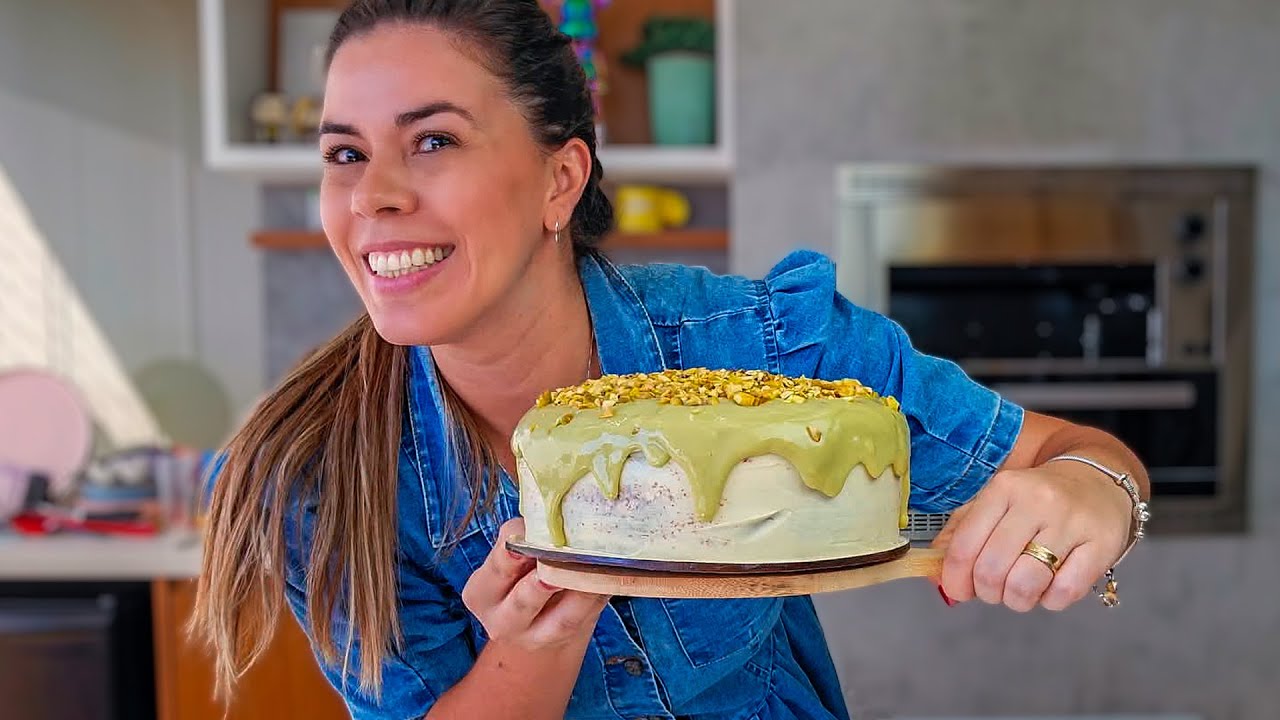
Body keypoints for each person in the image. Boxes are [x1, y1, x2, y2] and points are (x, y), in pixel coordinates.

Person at [191, 1, 1150, 718]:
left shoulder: (771, 350)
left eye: (432, 140)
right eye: (345, 154)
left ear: (559, 179)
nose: (372, 198)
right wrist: (536, 646)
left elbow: (1078, 453)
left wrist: (1096, 492)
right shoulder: (317, 477)